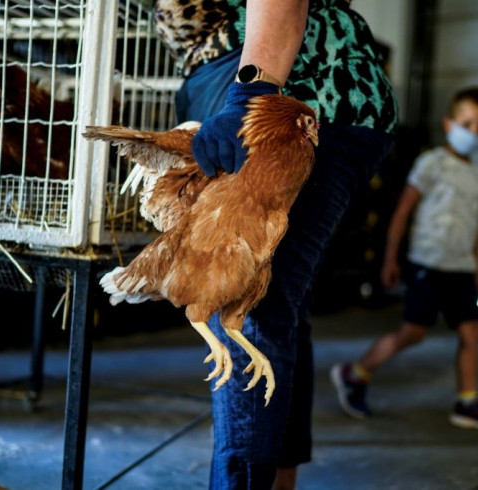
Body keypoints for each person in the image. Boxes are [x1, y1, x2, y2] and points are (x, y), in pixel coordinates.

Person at [152, 1, 397, 488]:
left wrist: (252, 92)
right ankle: (277, 480)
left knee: (246, 307)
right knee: (278, 307)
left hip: (297, 98)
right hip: (316, 95)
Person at [331, 86, 478, 435]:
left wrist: (475, 269)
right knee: (413, 332)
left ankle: (468, 402)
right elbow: (403, 212)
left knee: (472, 330)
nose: (474, 132)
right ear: (449, 124)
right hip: (427, 264)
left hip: (460, 268)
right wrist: (390, 259)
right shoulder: (431, 163)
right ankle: (355, 373)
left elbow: (472, 227)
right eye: (467, 123)